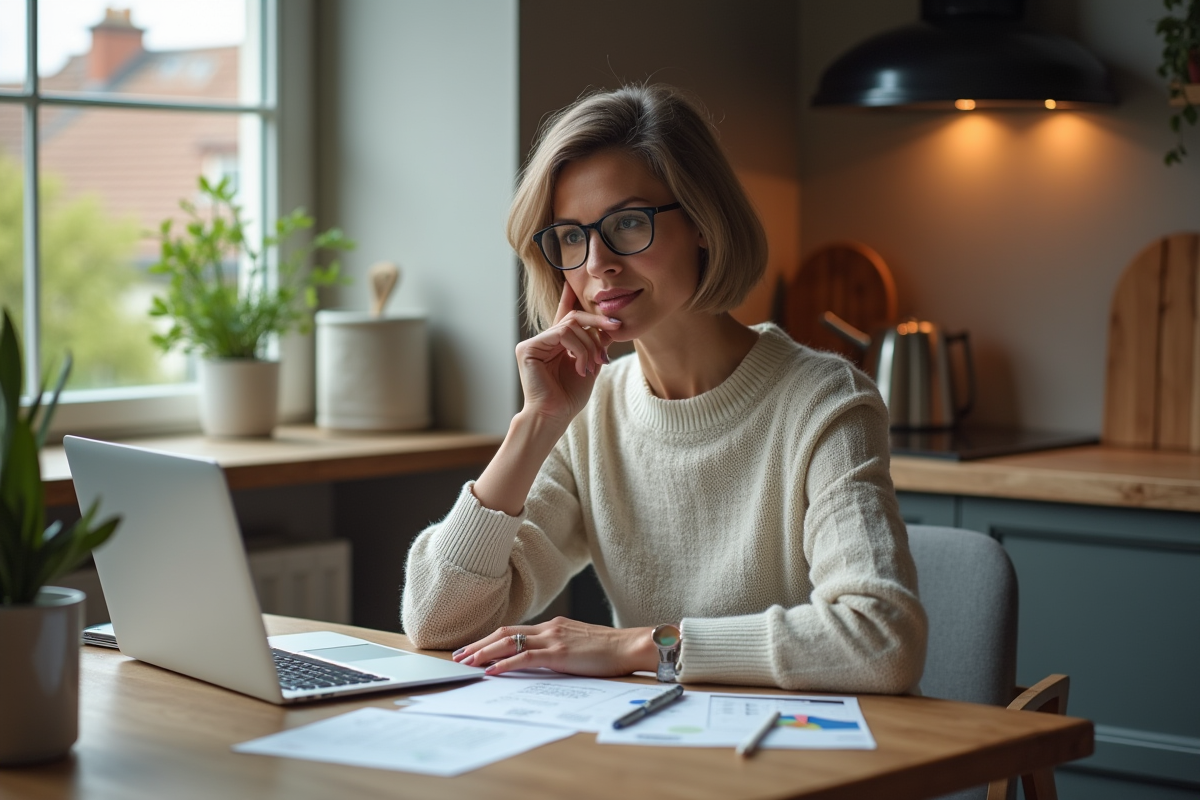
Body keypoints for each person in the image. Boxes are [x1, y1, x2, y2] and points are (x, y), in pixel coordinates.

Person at [401, 83, 927, 693]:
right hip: (651, 755)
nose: (597, 262)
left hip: (797, 764)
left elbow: (882, 639)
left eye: (627, 223)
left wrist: (632, 646)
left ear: (704, 222)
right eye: (571, 236)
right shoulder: (589, 411)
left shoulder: (825, 401)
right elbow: (437, 622)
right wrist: (536, 425)